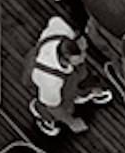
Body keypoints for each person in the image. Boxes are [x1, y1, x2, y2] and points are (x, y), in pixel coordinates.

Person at [27, 9, 111, 137]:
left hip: (54, 61)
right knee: (62, 107)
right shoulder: (50, 80)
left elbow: (54, 21)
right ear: (66, 58)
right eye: (80, 55)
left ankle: (82, 92)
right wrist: (72, 123)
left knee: (82, 72)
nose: (85, 55)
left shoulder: (63, 30)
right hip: (38, 73)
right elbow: (53, 106)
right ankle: (42, 113)